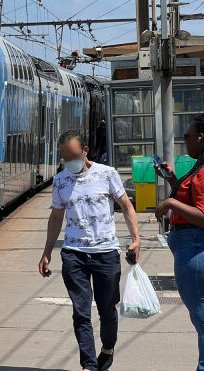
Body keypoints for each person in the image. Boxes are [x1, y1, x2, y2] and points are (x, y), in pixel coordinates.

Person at [39, 129, 140, 371]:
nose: (69, 162)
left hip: (105, 253)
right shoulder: (61, 181)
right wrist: (47, 252)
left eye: (73, 155)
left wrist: (136, 239)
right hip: (74, 253)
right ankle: (89, 365)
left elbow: (126, 206)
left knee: (107, 310)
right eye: (64, 157)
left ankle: (107, 347)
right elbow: (55, 218)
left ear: (85, 151)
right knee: (81, 312)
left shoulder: (107, 174)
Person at [155, 114, 204, 371]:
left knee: (202, 318)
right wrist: (173, 181)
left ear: (201, 138)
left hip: (195, 247)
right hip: (190, 245)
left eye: (187, 136)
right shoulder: (199, 167)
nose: (184, 141)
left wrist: (170, 202)